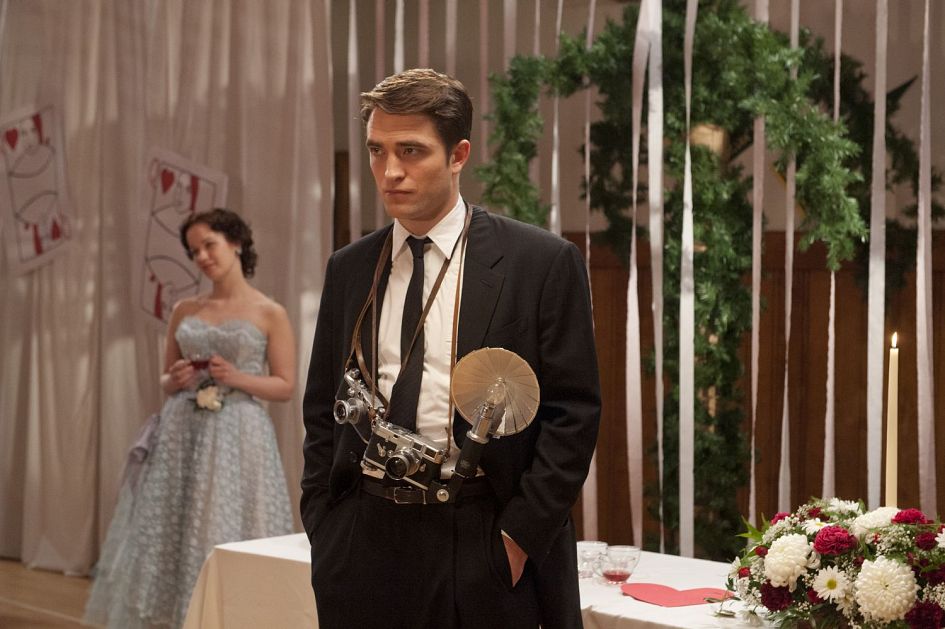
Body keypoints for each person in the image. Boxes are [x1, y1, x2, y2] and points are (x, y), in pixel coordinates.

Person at [301, 68, 601, 628]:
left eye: (411, 151)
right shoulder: (350, 268)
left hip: (480, 532)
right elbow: (322, 406)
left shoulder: (539, 263)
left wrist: (515, 540)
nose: (390, 171)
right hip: (361, 538)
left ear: (459, 154)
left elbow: (574, 416)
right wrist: (325, 521)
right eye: (377, 150)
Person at [84, 208, 296, 628]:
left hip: (239, 434)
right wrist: (175, 378)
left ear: (236, 243)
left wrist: (236, 377)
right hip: (181, 431)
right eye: (194, 251)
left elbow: (286, 386)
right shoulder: (184, 309)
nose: (201, 257)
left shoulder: (270, 311)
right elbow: (166, 378)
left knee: (226, 523)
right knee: (172, 529)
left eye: (208, 245)